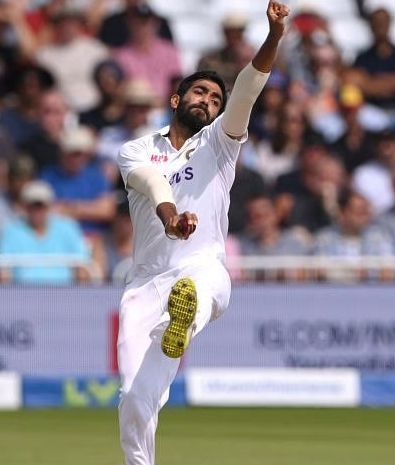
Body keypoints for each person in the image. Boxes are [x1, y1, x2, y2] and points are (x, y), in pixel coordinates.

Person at [114, 3, 289, 464]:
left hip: (202, 268)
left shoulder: (220, 144)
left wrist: (273, 37)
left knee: (195, 288)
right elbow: (152, 184)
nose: (209, 103)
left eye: (216, 99)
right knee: (135, 399)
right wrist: (171, 217)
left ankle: (184, 317)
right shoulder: (135, 149)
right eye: (201, 93)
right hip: (145, 283)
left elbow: (249, 90)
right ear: (176, 100)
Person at [0, 180, 90, 284]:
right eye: (33, 206)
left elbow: (82, 268)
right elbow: (4, 271)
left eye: (41, 205)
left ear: (49, 206)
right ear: (25, 207)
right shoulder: (11, 232)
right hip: (22, 296)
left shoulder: (68, 229)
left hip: (64, 295)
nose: (37, 210)